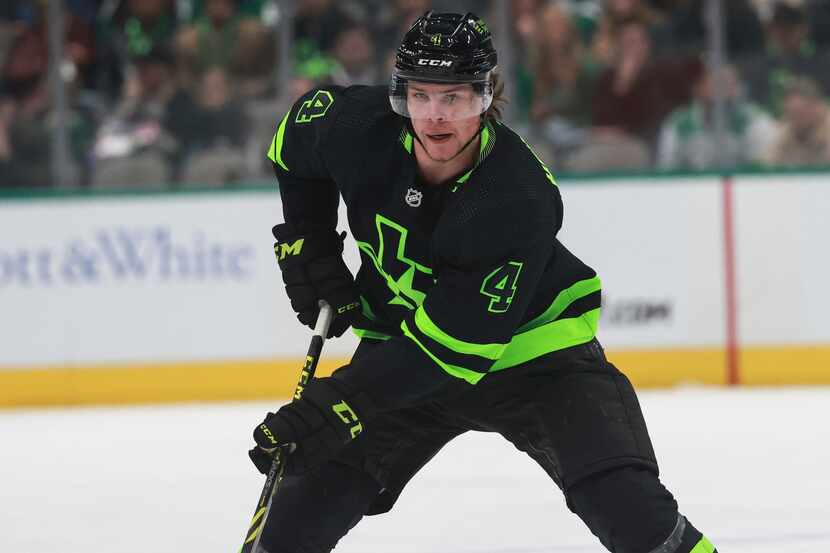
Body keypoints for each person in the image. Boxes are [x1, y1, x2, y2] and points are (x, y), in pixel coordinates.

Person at [250, 11, 719, 553]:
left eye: (455, 98)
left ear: (486, 96)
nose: (435, 117)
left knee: (628, 510)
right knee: (299, 516)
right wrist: (306, 239)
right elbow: (295, 137)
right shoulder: (358, 125)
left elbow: (453, 347)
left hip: (534, 361)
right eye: (420, 96)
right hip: (403, 353)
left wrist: (337, 405)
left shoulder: (515, 197)